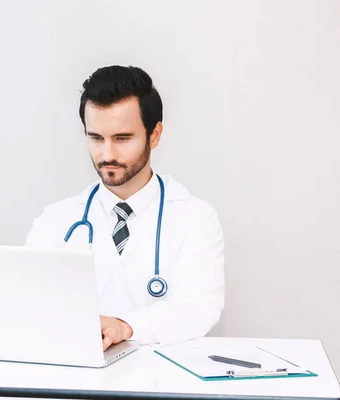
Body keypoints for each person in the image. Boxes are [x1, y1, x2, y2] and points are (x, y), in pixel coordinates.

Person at [25, 65, 225, 351]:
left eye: (122, 138)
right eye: (96, 138)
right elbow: (29, 301)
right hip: (78, 380)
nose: (107, 155)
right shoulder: (57, 220)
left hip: (162, 381)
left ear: (154, 135)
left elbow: (199, 306)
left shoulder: (195, 217)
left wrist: (125, 326)